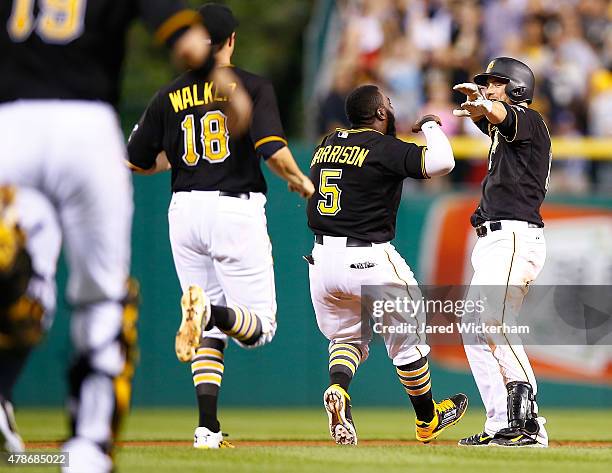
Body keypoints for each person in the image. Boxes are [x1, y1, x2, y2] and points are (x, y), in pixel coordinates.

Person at [0, 1, 219, 471]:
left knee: (23, 274)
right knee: (102, 299)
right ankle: (88, 450)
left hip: (11, 126)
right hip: (87, 128)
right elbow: (187, 44)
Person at [127, 3, 314, 449]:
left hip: (184, 211)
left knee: (207, 331)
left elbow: (137, 160)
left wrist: (178, 151)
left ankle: (206, 429)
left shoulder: (168, 94)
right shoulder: (249, 85)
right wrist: (301, 180)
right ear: (231, 40)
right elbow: (271, 148)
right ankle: (208, 312)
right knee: (259, 328)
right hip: (233, 209)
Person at [306, 84, 467, 445]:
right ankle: (428, 418)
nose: (392, 110)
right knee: (407, 340)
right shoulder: (380, 146)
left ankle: (339, 391)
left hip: (321, 259)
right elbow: (442, 162)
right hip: (367, 256)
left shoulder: (327, 143)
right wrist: (430, 125)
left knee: (346, 337)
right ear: (380, 114)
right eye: (389, 105)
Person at [453, 57, 552, 447]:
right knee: (474, 329)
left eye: (496, 82)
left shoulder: (529, 119)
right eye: (487, 82)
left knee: (492, 321)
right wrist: (482, 107)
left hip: (513, 237)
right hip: (495, 239)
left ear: (518, 88)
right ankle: (500, 423)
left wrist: (485, 104)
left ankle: (528, 423)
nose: (489, 88)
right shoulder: (506, 130)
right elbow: (493, 120)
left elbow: (501, 115)